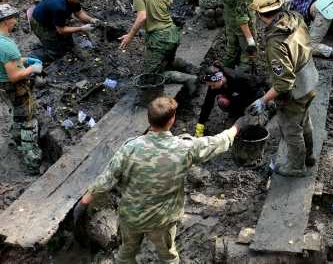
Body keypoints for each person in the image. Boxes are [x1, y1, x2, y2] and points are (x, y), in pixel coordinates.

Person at [73, 96, 247, 264]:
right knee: (168, 257)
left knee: (125, 255)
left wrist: (84, 203)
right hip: (162, 221)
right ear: (172, 120)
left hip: (132, 218)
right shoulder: (185, 147)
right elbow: (217, 142)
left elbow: (106, 178)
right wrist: (236, 127)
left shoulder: (130, 147)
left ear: (149, 120)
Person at [248, 0, 318, 177]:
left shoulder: (275, 41)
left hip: (295, 91)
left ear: (261, 14)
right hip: (309, 78)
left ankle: (296, 166)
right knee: (305, 122)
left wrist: (263, 100)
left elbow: (284, 83)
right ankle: (309, 156)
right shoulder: (294, 18)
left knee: (291, 129)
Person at [119, 0, 196, 89]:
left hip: (159, 39)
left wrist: (130, 36)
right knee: (168, 62)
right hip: (172, 33)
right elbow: (167, 6)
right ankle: (193, 69)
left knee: (151, 76)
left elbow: (142, 17)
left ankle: (188, 79)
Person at [0, 4, 43, 175]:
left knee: (18, 113)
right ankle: (31, 161)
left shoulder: (3, 41)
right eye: (13, 18)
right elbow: (15, 75)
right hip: (14, 86)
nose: (16, 21)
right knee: (28, 120)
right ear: (6, 21)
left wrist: (24, 60)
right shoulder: (6, 45)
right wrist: (33, 69)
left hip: (4, 85)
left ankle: (16, 138)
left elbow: (8, 62)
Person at [30, 0, 98, 62]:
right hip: (40, 24)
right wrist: (81, 29)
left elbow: (79, 13)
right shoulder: (59, 6)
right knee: (55, 53)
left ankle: (51, 43)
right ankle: (33, 57)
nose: (80, 1)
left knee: (66, 41)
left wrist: (91, 19)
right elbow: (61, 30)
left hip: (52, 18)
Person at [194, 64, 267, 137]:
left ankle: (268, 110)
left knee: (249, 128)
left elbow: (259, 84)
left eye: (213, 85)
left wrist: (263, 100)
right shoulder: (214, 85)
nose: (212, 88)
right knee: (232, 129)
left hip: (251, 100)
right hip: (236, 102)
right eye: (210, 86)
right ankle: (236, 113)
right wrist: (200, 124)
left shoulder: (239, 78)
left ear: (220, 79)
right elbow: (208, 104)